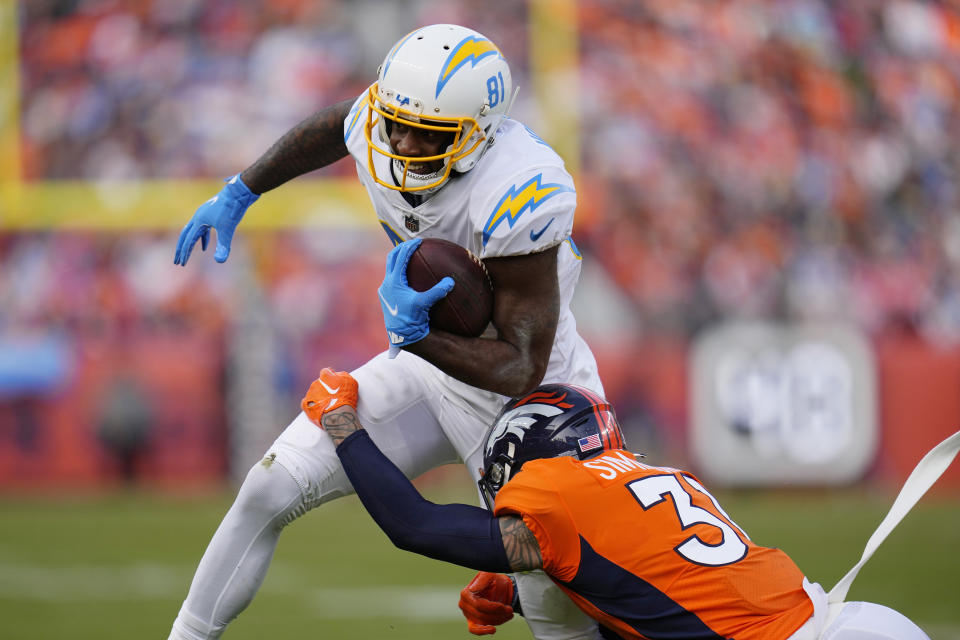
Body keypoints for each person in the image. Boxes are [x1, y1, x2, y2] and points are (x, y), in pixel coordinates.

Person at [168, 23, 605, 640]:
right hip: (432, 369)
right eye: (393, 121)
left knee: (558, 616)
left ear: (476, 136)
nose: (397, 142)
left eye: (422, 133)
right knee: (270, 486)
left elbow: (522, 364)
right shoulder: (379, 125)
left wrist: (416, 335)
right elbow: (334, 127)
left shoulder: (520, 188)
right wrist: (243, 190)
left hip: (535, 406)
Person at [302, 368, 932, 640]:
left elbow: (416, 524)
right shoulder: (656, 476)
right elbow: (651, 591)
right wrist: (525, 591)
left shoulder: (561, 493)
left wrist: (342, 424)